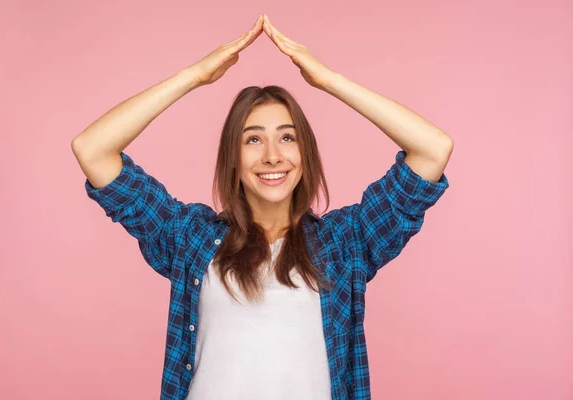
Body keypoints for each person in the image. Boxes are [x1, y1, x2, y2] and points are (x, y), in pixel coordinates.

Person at [71, 13, 452, 400]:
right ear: (233, 158)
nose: (272, 156)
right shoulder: (190, 237)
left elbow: (432, 149)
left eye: (287, 138)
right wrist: (195, 76)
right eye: (253, 140)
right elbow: (93, 149)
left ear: (305, 152)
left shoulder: (345, 243)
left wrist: (328, 81)